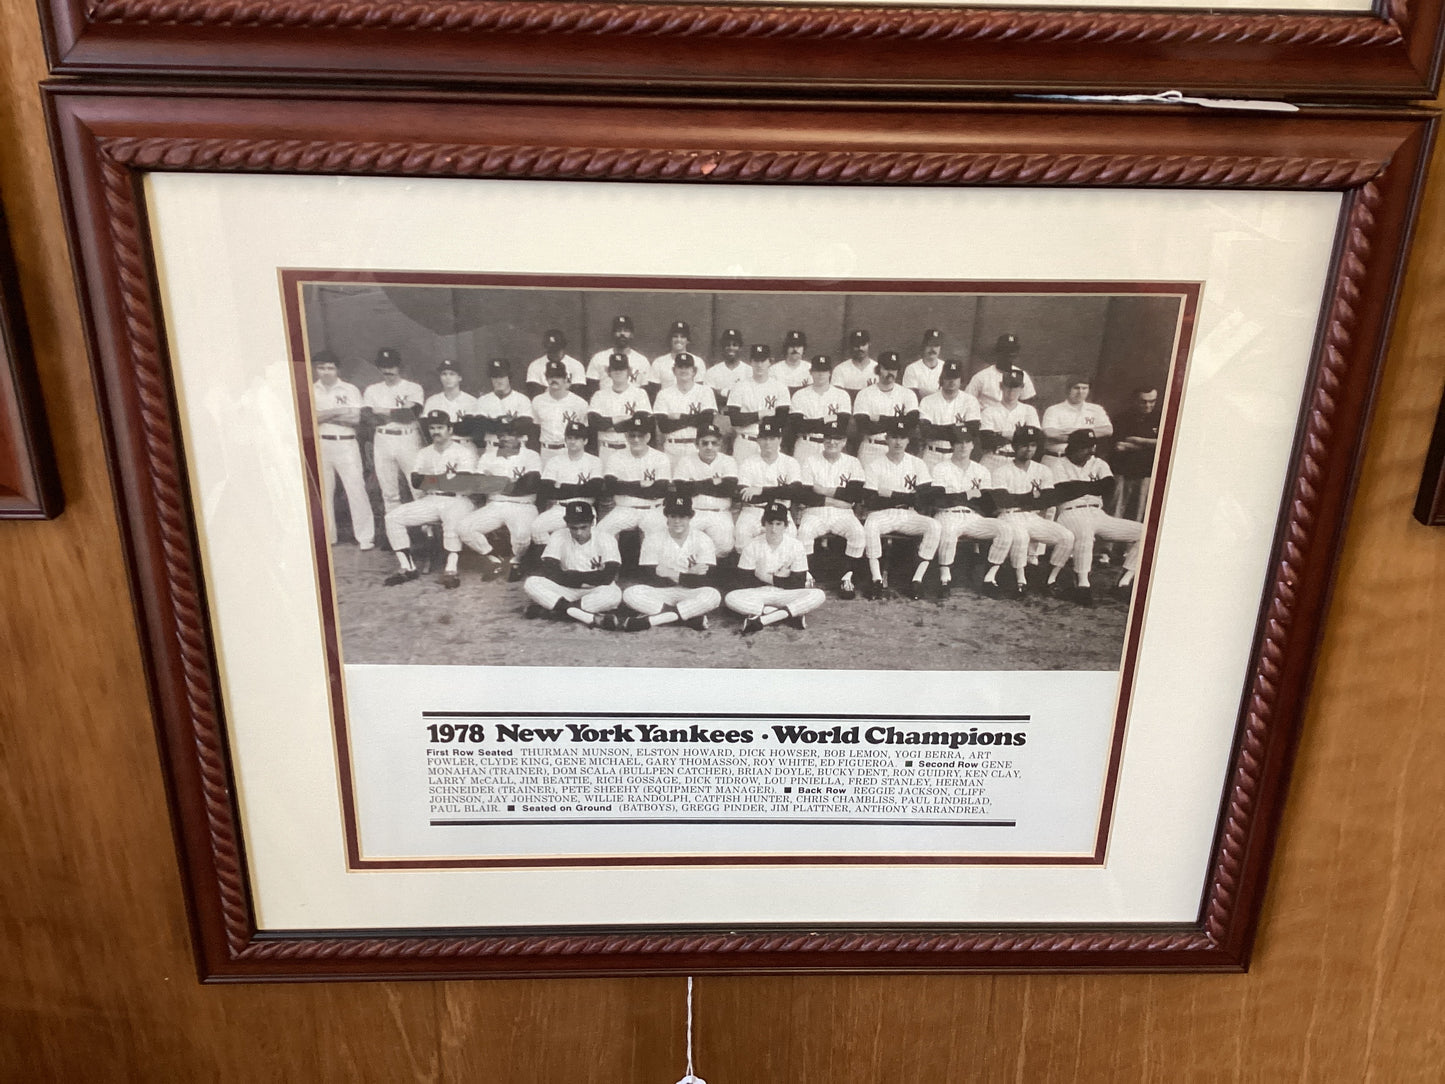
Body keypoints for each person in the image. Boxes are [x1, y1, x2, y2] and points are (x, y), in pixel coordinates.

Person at [381, 411, 477, 585]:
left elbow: (462, 483)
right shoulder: (424, 453)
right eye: (432, 428)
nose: (435, 431)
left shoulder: (463, 451)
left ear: (450, 429)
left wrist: (431, 480)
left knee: (451, 518)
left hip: (458, 499)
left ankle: (451, 570)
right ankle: (408, 568)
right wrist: (443, 480)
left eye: (440, 427)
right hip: (432, 499)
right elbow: (416, 481)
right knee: (392, 517)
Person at [1051, 429, 1142, 602]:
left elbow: (1108, 487)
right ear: (1072, 448)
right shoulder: (1058, 464)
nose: (1088, 451)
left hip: (1097, 513)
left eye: (1091, 447)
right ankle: (1083, 586)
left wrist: (1078, 487)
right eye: (1083, 447)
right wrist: (1093, 486)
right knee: (1084, 531)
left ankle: (1123, 583)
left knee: (1144, 532)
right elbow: (1062, 492)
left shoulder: (1098, 463)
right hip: (1071, 512)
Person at [986, 424, 1074, 596]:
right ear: (1014, 447)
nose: (1028, 450)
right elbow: (1003, 501)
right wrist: (1033, 497)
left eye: (1033, 445)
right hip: (1008, 516)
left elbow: (1048, 499)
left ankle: (1051, 580)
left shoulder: (1043, 470)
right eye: (1024, 445)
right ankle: (1021, 581)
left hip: (1032, 517)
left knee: (1067, 536)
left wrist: (1022, 499)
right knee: (1021, 536)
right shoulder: (1001, 471)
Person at [930, 425, 1016, 597]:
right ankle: (945, 579)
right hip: (948, 514)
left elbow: (986, 502)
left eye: (967, 442)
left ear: (972, 445)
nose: (963, 446)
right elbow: (940, 500)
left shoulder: (981, 470)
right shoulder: (941, 468)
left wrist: (957, 495)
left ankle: (989, 579)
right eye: (958, 442)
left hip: (973, 517)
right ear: (952, 445)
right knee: (948, 531)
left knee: (1005, 529)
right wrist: (970, 495)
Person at [860, 417, 941, 599]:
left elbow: (924, 497)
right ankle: (876, 580)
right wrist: (907, 496)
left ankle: (917, 580)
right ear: (886, 439)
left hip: (909, 514)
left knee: (934, 526)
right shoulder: (874, 464)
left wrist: (889, 494)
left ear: (908, 440)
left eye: (902, 438)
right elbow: (871, 501)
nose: (898, 442)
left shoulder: (917, 463)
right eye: (894, 437)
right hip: (882, 514)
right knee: (871, 525)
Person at [453, 417, 542, 582]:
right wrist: (512, 483)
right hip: (495, 505)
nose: (505, 438)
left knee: (522, 535)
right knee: (463, 528)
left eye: (511, 434)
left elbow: (530, 485)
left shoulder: (531, 455)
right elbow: (479, 485)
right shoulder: (489, 456)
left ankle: (516, 561)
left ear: (521, 437)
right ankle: (495, 560)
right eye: (502, 434)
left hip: (523, 505)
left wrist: (494, 482)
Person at [619, 494, 724, 631]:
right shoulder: (653, 538)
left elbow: (705, 581)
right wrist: (689, 574)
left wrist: (672, 573)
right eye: (673, 516)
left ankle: (653, 620)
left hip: (691, 592)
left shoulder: (703, 539)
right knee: (630, 593)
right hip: (662, 592)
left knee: (713, 595)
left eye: (682, 517)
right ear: (666, 516)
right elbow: (651, 578)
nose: (677, 521)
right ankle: (686, 619)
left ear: (690, 517)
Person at [725, 501, 827, 633]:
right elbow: (745, 581)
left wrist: (767, 577)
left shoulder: (796, 545)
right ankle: (786, 614)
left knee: (818, 594)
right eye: (770, 523)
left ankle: (762, 619)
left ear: (786, 525)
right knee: (731, 598)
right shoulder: (752, 545)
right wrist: (783, 579)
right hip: (760, 593)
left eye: (778, 524)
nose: (773, 529)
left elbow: (798, 583)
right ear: (764, 523)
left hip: (785, 594)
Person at [522, 501, 625, 627]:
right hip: (566, 589)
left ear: (592, 522)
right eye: (574, 528)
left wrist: (570, 576)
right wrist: (588, 577)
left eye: (583, 527)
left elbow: (608, 576)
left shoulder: (606, 538)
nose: (579, 533)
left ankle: (553, 611)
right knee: (532, 583)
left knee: (614, 595)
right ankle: (584, 615)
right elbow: (550, 571)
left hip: (594, 590)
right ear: (567, 523)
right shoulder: (558, 536)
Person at [795, 421, 867, 599]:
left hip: (843, 513)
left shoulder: (853, 462)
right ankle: (807, 576)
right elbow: (804, 495)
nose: (832, 442)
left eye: (837, 438)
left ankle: (847, 577)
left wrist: (822, 490)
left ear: (844, 441)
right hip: (815, 511)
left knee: (858, 532)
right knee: (804, 532)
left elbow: (855, 494)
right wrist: (835, 501)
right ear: (823, 440)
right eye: (828, 438)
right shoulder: (810, 461)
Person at [311, 350, 375, 550]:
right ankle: (329, 536)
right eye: (321, 368)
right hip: (321, 443)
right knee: (324, 490)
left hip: (346, 442)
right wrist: (339, 411)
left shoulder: (350, 389)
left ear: (337, 369)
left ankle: (365, 537)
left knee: (356, 488)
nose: (326, 372)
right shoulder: (311, 390)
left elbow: (355, 419)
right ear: (316, 369)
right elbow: (309, 418)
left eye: (330, 368)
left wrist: (323, 414)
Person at [361, 347, 424, 516]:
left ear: (399, 367)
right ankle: (395, 535)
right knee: (389, 493)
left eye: (392, 366)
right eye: (383, 366)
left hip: (407, 439)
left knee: (418, 488)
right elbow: (367, 417)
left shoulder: (413, 388)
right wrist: (396, 413)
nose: (388, 370)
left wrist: (381, 410)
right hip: (382, 440)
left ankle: (428, 533)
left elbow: (410, 414)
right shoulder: (372, 389)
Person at [596, 415, 671, 542]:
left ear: (648, 437)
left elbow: (660, 490)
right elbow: (611, 487)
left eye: (640, 435)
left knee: (659, 541)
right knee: (601, 531)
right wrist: (641, 485)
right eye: (632, 435)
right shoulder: (616, 457)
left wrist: (625, 486)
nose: (636, 439)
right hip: (624, 509)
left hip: (653, 510)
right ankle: (611, 562)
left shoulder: (660, 457)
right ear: (626, 436)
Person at [669, 422, 738, 558]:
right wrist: (715, 482)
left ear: (720, 444)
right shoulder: (685, 461)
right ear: (696, 444)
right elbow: (681, 490)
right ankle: (695, 569)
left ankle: (706, 567)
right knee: (681, 541)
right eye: (704, 443)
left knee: (725, 546)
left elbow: (729, 489)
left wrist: (695, 486)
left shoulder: (728, 461)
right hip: (694, 512)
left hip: (720, 513)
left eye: (714, 443)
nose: (709, 447)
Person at [531, 420, 604, 546]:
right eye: (569, 438)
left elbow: (594, 490)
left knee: (582, 538)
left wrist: (561, 487)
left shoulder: (594, 461)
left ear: (585, 441)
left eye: (577, 438)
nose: (572, 441)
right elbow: (547, 490)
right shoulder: (555, 461)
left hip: (585, 507)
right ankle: (554, 556)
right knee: (536, 527)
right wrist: (581, 488)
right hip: (561, 508)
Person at [734, 417, 802, 552]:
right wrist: (781, 492)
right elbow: (746, 496)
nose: (768, 443)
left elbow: (795, 492)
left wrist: (760, 490)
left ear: (780, 440)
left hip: (781, 511)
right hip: (753, 511)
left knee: (790, 535)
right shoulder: (748, 462)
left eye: (772, 439)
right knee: (742, 534)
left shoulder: (790, 462)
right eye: (764, 439)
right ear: (758, 441)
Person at [853, 352, 920, 468]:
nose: (890, 373)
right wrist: (899, 421)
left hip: (898, 449)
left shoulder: (908, 394)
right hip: (871, 448)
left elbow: (912, 423)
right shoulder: (864, 394)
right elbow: (864, 426)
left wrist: (880, 419)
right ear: (878, 369)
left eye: (894, 369)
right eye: (886, 368)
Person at [652, 352, 718, 469]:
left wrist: (680, 417)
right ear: (674, 370)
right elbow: (664, 426)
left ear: (694, 371)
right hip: (673, 447)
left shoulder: (705, 391)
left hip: (696, 447)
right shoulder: (663, 394)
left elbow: (707, 421)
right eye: (680, 367)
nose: (683, 370)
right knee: (672, 485)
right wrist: (695, 418)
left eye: (687, 367)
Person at [726, 344, 791, 462]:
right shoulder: (739, 386)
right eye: (756, 360)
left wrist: (749, 417)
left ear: (770, 362)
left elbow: (782, 420)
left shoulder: (780, 387)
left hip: (770, 443)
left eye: (763, 360)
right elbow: (735, 419)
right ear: (751, 362)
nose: (759, 365)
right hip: (746, 442)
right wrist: (761, 414)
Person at [588, 352, 652, 468]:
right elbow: (594, 422)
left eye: (622, 369)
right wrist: (619, 419)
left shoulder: (639, 394)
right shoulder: (599, 395)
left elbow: (642, 422)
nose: (618, 372)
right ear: (608, 371)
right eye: (614, 369)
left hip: (630, 447)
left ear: (629, 371)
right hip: (606, 449)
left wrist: (608, 425)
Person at [788, 354, 853, 465]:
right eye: (817, 370)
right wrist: (828, 419)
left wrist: (812, 424)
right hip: (806, 445)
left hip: (832, 445)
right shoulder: (799, 395)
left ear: (830, 372)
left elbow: (842, 424)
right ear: (811, 372)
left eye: (824, 370)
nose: (820, 374)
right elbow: (798, 426)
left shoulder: (841, 395)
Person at [917, 358, 983, 468]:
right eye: (948, 377)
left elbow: (973, 430)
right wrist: (958, 429)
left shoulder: (970, 401)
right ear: (942, 378)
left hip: (957, 455)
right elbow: (926, 431)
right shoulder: (928, 401)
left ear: (961, 379)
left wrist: (938, 429)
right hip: (932, 455)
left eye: (955, 377)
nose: (952, 381)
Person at [1110, 386, 1162, 522]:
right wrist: (1152, 444)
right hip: (1123, 473)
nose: (1148, 405)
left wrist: (1138, 440)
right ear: (1134, 400)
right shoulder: (1121, 418)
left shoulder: (1160, 418)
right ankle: (1109, 544)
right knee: (1116, 514)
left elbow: (1167, 444)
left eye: (1152, 401)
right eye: (1143, 401)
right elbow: (1119, 446)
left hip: (1146, 474)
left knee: (1138, 516)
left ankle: (1131, 544)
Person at [979, 367, 1041, 473]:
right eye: (1008, 386)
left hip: (1019, 460)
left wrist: (1000, 434)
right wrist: (1019, 436)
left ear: (1022, 388)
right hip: (993, 459)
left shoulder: (1029, 410)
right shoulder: (989, 411)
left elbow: (1036, 438)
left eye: (1016, 387)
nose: (1011, 390)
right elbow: (986, 441)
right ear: (1001, 386)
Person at [530, 359, 589, 465]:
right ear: (546, 378)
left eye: (558, 377)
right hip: (546, 451)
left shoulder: (579, 403)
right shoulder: (537, 401)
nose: (554, 380)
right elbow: (535, 429)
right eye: (551, 377)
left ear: (566, 378)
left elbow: (585, 432)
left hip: (568, 450)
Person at [1041, 376, 1113, 460]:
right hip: (1059, 458)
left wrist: (1074, 431)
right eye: (1076, 388)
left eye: (1084, 388)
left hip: (1087, 459)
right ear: (1068, 390)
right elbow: (1050, 433)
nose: (1080, 392)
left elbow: (1108, 430)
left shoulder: (1096, 409)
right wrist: (1090, 435)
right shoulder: (1054, 410)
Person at [473, 358, 534, 453]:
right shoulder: (483, 400)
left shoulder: (522, 399)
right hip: (492, 449)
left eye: (502, 376)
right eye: (495, 377)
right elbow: (480, 426)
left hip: (517, 448)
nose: (498, 381)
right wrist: (510, 423)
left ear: (509, 377)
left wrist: (495, 422)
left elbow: (525, 427)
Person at [967, 332, 1037, 409]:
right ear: (998, 351)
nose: (1010, 354)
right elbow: (967, 401)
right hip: (987, 418)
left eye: (1013, 351)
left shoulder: (1021, 375)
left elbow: (1029, 405)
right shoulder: (981, 377)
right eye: (1006, 350)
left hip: (1013, 418)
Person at [587, 314, 649, 392]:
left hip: (631, 403)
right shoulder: (599, 358)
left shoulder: (642, 361)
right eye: (618, 330)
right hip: (605, 401)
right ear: (613, 334)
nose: (622, 334)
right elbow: (592, 391)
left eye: (626, 331)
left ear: (632, 335)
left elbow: (644, 391)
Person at [647, 320, 705, 395]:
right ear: (670, 339)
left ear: (688, 340)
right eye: (675, 336)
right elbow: (654, 393)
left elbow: (699, 391)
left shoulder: (698, 362)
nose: (679, 340)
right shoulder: (659, 362)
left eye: (683, 337)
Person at [525, 329, 586, 398]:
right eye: (551, 349)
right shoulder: (535, 365)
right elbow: (534, 394)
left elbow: (578, 395)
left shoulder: (576, 365)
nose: (553, 353)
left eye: (556, 349)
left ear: (563, 347)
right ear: (545, 347)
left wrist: (548, 389)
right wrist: (564, 388)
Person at [831, 328, 877, 403]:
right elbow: (837, 397)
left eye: (863, 344)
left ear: (869, 344)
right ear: (851, 346)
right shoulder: (840, 369)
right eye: (856, 345)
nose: (860, 348)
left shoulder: (879, 369)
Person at [704, 328, 748, 398]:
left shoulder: (749, 371)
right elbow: (708, 395)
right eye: (727, 345)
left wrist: (721, 392)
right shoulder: (712, 372)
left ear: (740, 348)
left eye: (735, 345)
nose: (731, 348)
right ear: (722, 347)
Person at [903, 328, 946, 397]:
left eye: (936, 345)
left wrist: (922, 391)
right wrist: (939, 394)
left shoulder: (946, 367)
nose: (933, 349)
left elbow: (950, 395)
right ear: (924, 346)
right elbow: (911, 395)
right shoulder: (912, 368)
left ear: (940, 348)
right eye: (929, 345)